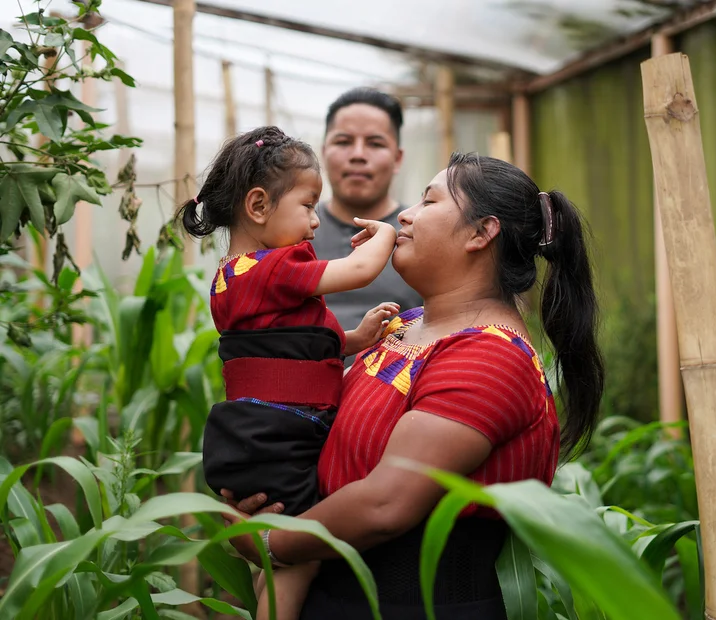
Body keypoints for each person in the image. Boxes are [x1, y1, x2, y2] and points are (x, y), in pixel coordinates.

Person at [222, 152, 606, 619]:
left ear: (481, 233)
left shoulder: (490, 357)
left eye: (428, 201)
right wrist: (262, 477)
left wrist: (268, 541)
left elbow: (387, 503)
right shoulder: (403, 326)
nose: (405, 213)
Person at [177, 126, 400, 620]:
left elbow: (288, 350)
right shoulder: (272, 268)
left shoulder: (235, 277)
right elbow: (359, 271)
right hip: (277, 432)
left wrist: (355, 341)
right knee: (300, 553)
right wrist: (385, 233)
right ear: (258, 207)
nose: (316, 221)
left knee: (273, 556)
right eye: (308, 205)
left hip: (256, 432)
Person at [314, 87, 422, 358]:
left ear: (397, 158)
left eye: (375, 143)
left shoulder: (422, 232)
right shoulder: (285, 233)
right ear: (324, 152)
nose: (358, 154)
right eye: (343, 142)